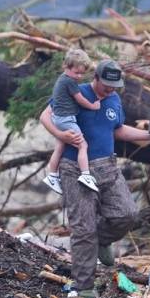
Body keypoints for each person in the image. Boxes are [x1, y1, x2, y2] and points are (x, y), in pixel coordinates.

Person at [39, 59, 150, 295]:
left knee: (127, 213)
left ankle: (101, 239)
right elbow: (45, 116)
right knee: (83, 229)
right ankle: (84, 288)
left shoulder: (114, 99)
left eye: (114, 86)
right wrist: (62, 134)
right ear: (96, 77)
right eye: (106, 85)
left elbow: (117, 129)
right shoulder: (75, 91)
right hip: (74, 168)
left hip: (107, 166)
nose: (110, 89)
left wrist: (148, 134)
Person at [42, 49, 102, 195]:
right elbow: (80, 99)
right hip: (65, 119)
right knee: (83, 145)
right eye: (76, 72)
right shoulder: (70, 82)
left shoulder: (64, 79)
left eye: (82, 73)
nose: (79, 76)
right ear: (66, 67)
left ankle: (52, 175)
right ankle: (85, 174)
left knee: (60, 147)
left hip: (58, 118)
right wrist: (93, 105)